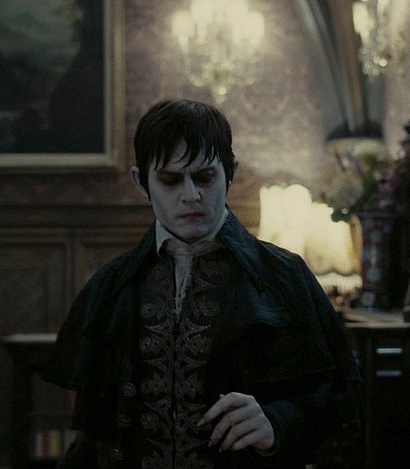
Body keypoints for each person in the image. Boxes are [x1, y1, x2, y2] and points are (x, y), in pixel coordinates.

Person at [45, 98, 361, 468]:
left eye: (205, 177)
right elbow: (90, 431)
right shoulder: (110, 285)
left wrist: (277, 423)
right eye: (170, 180)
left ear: (230, 172)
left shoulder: (285, 278)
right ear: (141, 182)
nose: (191, 195)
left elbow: (341, 403)